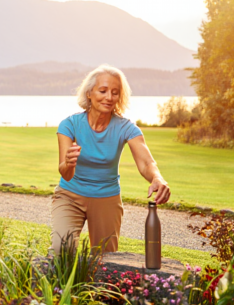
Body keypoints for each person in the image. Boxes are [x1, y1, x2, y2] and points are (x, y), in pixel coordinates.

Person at [51, 64, 171, 254]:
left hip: (107, 198)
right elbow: (65, 174)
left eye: (115, 92)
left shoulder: (126, 128)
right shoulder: (70, 125)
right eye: (103, 90)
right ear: (89, 93)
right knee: (61, 250)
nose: (109, 97)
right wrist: (69, 162)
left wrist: (157, 178)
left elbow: (146, 162)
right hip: (70, 196)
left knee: (105, 261)